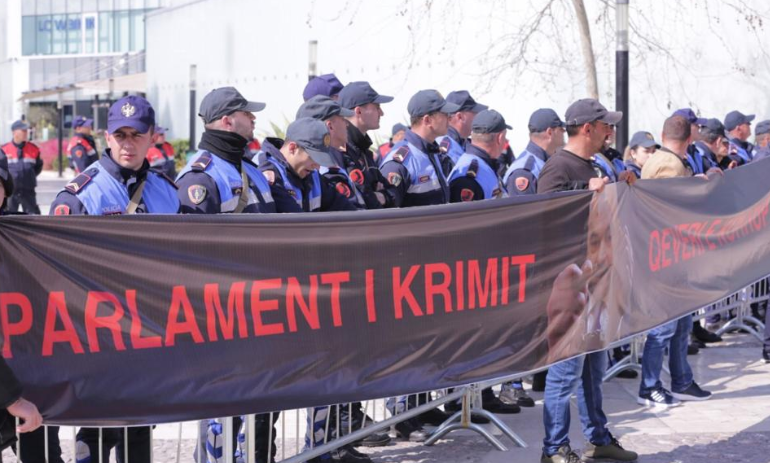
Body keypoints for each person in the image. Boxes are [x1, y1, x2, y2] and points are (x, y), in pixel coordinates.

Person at [50, 96, 179, 463]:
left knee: (140, 425)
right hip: (100, 333)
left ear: (151, 137)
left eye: (136, 134)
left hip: (152, 329)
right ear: (107, 137)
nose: (127, 143)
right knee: (98, 425)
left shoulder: (168, 193)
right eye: (120, 134)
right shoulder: (79, 195)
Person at [537, 98, 637, 463]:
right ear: (587, 128)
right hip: (570, 286)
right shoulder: (558, 167)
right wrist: (584, 193)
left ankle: (598, 438)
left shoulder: (596, 164)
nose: (610, 131)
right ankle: (554, 448)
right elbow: (543, 215)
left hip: (598, 282)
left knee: (594, 370)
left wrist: (622, 185)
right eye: (605, 125)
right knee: (565, 371)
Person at [636, 116, 715, 408]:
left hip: (672, 254)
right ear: (689, 139)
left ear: (662, 134)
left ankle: (681, 380)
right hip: (666, 256)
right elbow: (671, 207)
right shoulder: (669, 165)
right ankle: (650, 386)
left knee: (681, 323)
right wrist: (698, 188)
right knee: (663, 328)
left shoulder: (659, 159)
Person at [176, 87, 289, 214]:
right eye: (246, 113)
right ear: (228, 122)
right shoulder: (200, 178)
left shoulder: (251, 169)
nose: (253, 117)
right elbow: (197, 233)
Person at [258, 117, 357, 212]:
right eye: (313, 157)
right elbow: (298, 224)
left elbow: (345, 208)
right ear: (292, 148)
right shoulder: (269, 175)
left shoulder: (313, 176)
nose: (317, 166)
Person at [380, 89, 459, 208]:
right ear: (427, 120)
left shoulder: (433, 153)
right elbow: (388, 216)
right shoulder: (400, 163)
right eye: (445, 114)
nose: (449, 119)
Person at [294, 95, 368, 209]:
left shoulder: (343, 157)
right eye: (343, 120)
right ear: (330, 126)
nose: (347, 124)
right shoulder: (324, 169)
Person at [337, 81, 398, 209]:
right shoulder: (342, 151)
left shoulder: (363, 150)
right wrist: (377, 196)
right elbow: (362, 202)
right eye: (377, 107)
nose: (381, 113)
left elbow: (393, 194)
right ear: (358, 111)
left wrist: (382, 196)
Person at [503, 108, 565, 195]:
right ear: (550, 133)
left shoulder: (544, 161)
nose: (564, 134)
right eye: (561, 130)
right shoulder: (525, 172)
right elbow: (525, 208)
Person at [436, 90, 488, 175]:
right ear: (460, 117)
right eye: (474, 113)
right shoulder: (446, 149)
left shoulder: (462, 143)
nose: (477, 117)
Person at [2, 120, 42, 214]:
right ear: (14, 132)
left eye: (26, 131)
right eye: (23, 131)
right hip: (11, 192)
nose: (25, 133)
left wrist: (29, 177)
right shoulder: (4, 149)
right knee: (9, 217)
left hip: (28, 190)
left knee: (32, 217)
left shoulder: (34, 149)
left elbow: (38, 167)